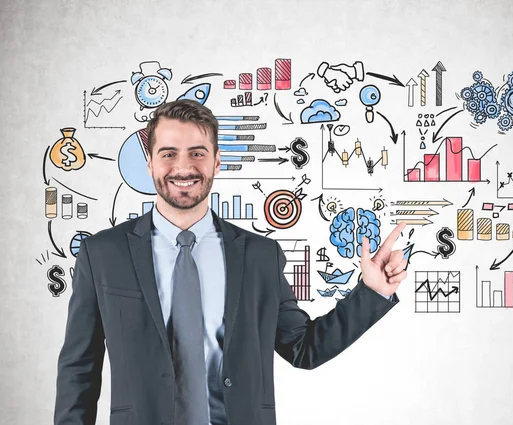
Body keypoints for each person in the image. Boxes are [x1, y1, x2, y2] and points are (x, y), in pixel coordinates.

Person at [54, 99, 409, 425]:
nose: (183, 167)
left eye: (197, 153)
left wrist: (372, 292)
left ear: (217, 161)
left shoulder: (259, 256)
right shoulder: (102, 254)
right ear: (149, 163)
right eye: (168, 153)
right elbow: (79, 370)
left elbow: (304, 348)